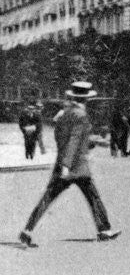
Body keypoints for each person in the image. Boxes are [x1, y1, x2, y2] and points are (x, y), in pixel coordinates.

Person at [18, 81, 120, 248]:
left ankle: (27, 230)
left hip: (63, 163)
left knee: (48, 198)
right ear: (86, 99)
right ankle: (104, 230)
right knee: (93, 196)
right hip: (76, 166)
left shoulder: (64, 114)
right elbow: (73, 140)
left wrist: (89, 143)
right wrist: (68, 164)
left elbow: (63, 138)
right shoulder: (81, 115)